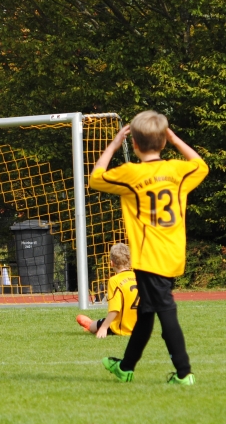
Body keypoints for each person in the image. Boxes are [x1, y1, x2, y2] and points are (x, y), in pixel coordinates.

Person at [89, 111, 208, 385]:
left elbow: (96, 178)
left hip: (149, 257)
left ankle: (184, 373)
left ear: (134, 144)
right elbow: (201, 165)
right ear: (164, 141)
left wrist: (114, 144)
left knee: (165, 312)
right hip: (172, 254)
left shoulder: (132, 174)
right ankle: (125, 367)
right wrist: (176, 140)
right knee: (146, 312)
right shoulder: (177, 170)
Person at [76, 243, 138, 338]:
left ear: (111, 263)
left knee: (95, 325)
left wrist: (104, 327)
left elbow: (115, 309)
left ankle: (90, 325)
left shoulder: (114, 281)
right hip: (140, 328)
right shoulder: (138, 277)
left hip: (122, 328)